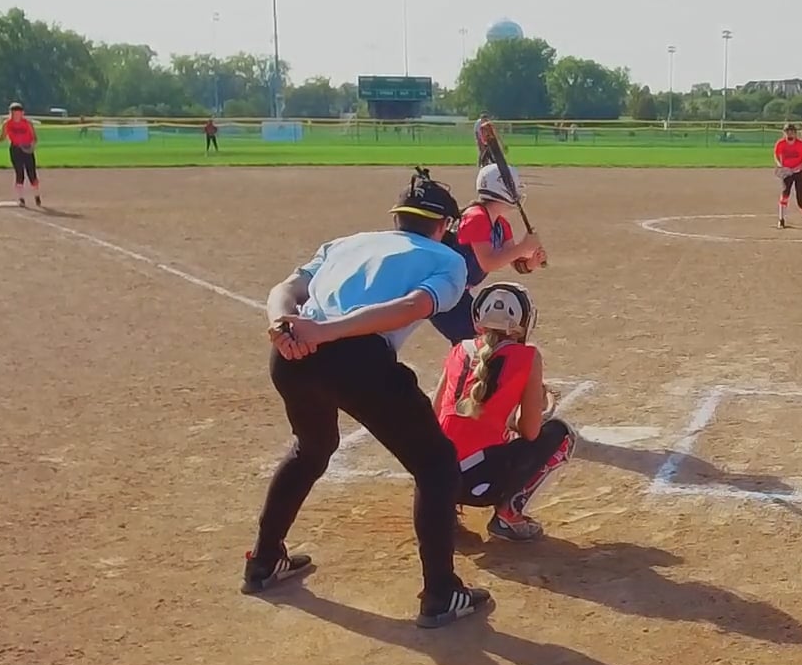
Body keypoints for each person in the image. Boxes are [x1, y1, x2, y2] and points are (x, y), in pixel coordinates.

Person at [247, 167, 492, 628]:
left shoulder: (346, 243)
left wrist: (282, 325)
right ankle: (441, 593)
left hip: (292, 356)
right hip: (356, 359)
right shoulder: (447, 258)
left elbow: (286, 290)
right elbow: (413, 306)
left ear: (398, 217)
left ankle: (264, 560)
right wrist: (328, 332)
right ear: (444, 226)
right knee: (437, 465)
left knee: (312, 448)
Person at [433, 281, 576, 541]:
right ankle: (509, 515)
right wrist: (544, 405)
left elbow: (435, 415)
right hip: (478, 485)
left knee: (454, 441)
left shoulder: (459, 349)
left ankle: (444, 514)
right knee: (561, 434)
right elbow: (530, 432)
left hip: (436, 482)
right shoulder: (528, 357)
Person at [428, 162, 546, 344]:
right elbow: (488, 262)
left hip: (457, 292)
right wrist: (523, 247)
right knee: (474, 342)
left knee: (479, 340)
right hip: (442, 290)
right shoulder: (476, 217)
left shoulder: (500, 224)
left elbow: (514, 261)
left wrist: (531, 262)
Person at [0, 103, 41, 207]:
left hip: (27, 149)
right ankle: (21, 198)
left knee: (32, 174)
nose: (17, 116)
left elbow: (35, 138)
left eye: (19, 113)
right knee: (19, 173)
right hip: (15, 149)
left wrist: (32, 145)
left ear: (22, 113)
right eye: (14, 113)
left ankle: (37, 196)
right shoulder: (7, 124)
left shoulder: (27, 123)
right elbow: (2, 137)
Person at [773, 123, 802, 228]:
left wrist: (796, 169)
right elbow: (776, 155)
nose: (789, 134)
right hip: (787, 172)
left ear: (795, 133)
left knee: (800, 200)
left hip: (800, 173)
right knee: (785, 194)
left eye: (792, 132)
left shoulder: (801, 145)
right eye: (787, 132)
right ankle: (781, 219)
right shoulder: (780, 144)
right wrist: (780, 165)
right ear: (784, 133)